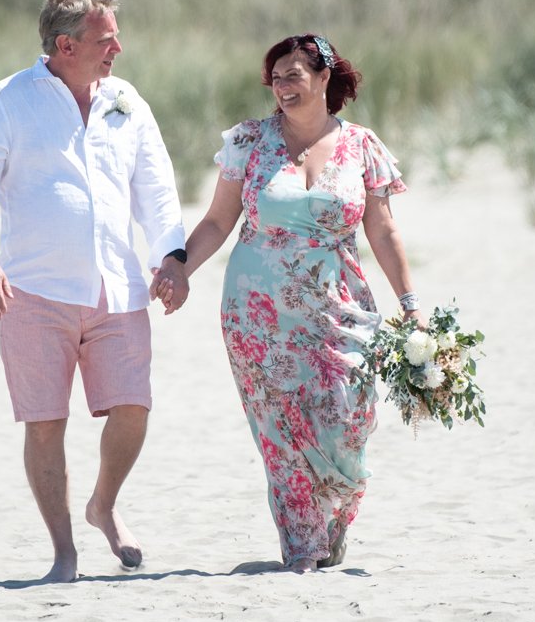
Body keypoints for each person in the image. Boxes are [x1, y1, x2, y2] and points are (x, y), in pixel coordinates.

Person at [0, 0, 189, 584]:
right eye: (105, 40)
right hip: (32, 291)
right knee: (45, 421)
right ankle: (64, 554)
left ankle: (103, 505)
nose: (118, 50)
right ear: (65, 44)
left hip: (118, 289)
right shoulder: (7, 101)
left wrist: (171, 258)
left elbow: (155, 187)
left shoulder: (126, 101)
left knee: (134, 407)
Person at [157, 33, 422, 573]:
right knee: (280, 428)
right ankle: (303, 547)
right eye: (275, 78)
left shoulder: (361, 146)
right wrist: (180, 267)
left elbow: (383, 231)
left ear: (325, 79)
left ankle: (336, 519)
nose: (281, 87)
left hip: (339, 304)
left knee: (348, 416)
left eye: (294, 75)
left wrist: (411, 305)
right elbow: (217, 220)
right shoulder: (250, 142)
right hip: (257, 309)